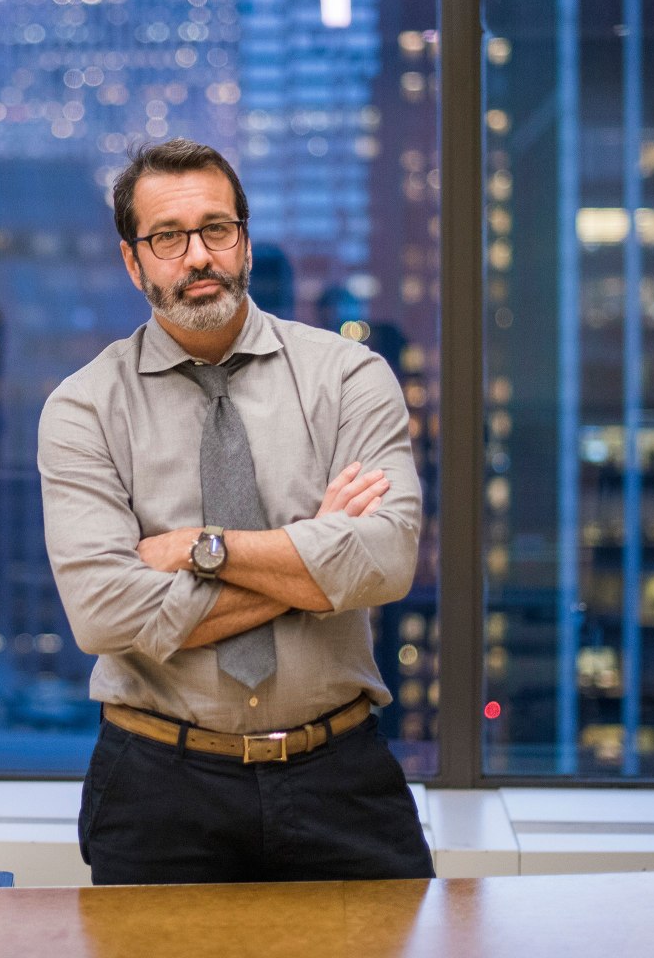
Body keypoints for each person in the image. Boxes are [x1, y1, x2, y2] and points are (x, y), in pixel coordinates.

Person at [37, 138, 434, 885]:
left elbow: (384, 561)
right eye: (167, 237)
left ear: (244, 241)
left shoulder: (350, 378)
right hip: (159, 786)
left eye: (217, 229)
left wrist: (198, 546)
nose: (198, 256)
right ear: (134, 261)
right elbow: (103, 615)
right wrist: (314, 563)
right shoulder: (83, 409)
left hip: (341, 779)